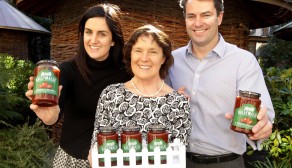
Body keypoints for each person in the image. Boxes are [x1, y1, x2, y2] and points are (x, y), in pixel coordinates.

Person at [165, 0, 275, 167]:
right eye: (191, 16)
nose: (198, 23)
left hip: (225, 162)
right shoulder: (171, 61)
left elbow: (262, 116)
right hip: (176, 161)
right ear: (185, 19)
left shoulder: (243, 61)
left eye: (206, 15)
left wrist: (261, 126)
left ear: (219, 17)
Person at [25, 3, 131, 167]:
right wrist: (49, 115)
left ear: (113, 40)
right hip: (73, 161)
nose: (93, 40)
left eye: (102, 34)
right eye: (88, 32)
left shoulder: (127, 73)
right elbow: (54, 115)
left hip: (114, 161)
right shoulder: (67, 71)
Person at [88, 24, 192, 164]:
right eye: (138, 50)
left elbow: (177, 159)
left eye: (153, 52)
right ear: (130, 55)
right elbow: (96, 151)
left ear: (163, 58)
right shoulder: (110, 95)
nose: (144, 58)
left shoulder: (178, 103)